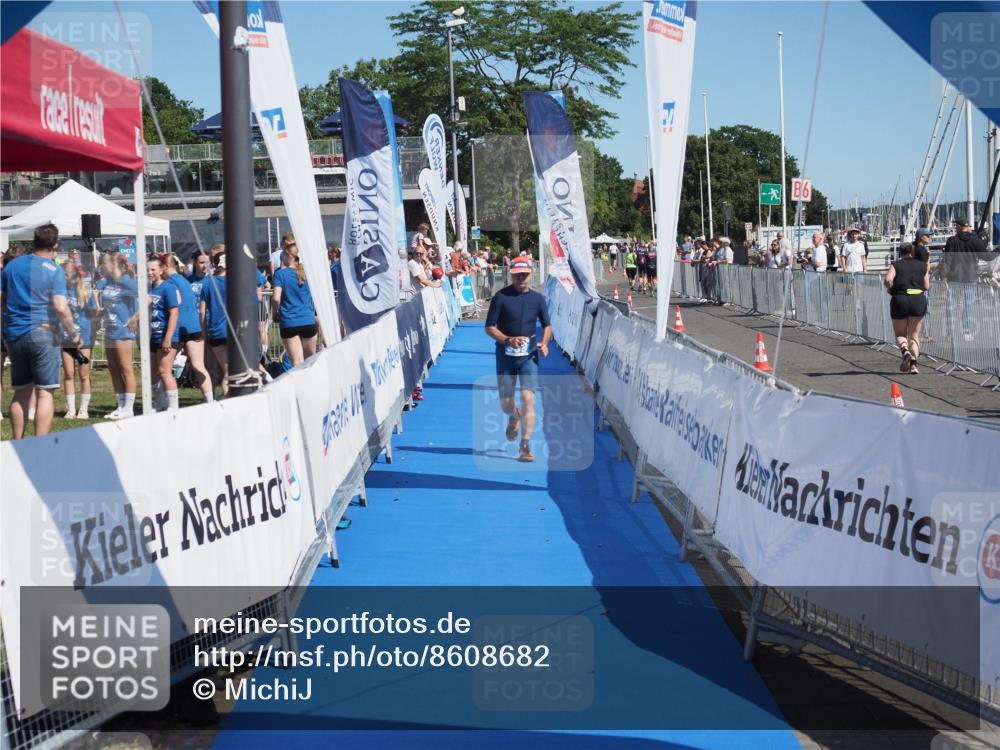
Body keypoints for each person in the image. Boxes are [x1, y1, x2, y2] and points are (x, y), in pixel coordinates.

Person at [1, 224, 81, 438]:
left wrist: (4, 332)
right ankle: (40, 446)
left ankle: (17, 442)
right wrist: (74, 333)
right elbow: (61, 307)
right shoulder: (54, 270)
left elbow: (2, 302)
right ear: (56, 245)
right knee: (45, 392)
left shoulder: (11, 266)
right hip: (43, 332)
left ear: (33, 241)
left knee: (21, 392)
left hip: (15, 334)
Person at [484, 255, 551, 463]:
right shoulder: (501, 297)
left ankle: (525, 444)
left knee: (528, 399)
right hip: (505, 355)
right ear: (511, 274)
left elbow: (547, 326)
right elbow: (489, 327)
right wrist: (507, 340)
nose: (521, 277)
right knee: (506, 403)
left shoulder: (538, 299)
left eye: (525, 274)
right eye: (517, 274)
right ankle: (514, 416)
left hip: (529, 356)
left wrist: (544, 342)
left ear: (531, 274)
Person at [95, 251, 139, 419]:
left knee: (125, 369)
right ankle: (120, 406)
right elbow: (94, 291)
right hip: (110, 330)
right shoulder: (106, 281)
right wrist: (99, 308)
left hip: (123, 331)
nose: (102, 266)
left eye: (105, 263)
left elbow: (146, 297)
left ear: (113, 265)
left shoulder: (127, 282)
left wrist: (135, 317)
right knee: (113, 369)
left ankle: (129, 408)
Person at [164, 253, 213, 404]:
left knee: (165, 367)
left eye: (207, 262)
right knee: (198, 365)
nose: (204, 265)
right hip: (194, 325)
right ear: (195, 263)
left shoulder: (173, 281)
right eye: (201, 262)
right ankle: (210, 400)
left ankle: (169, 403)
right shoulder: (186, 281)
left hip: (189, 324)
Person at [940, 216, 993, 341]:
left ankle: (950, 334)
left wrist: (943, 276)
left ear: (959, 226)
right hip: (970, 276)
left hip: (954, 277)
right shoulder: (975, 240)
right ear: (967, 226)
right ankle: (967, 332)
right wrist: (998, 249)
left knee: (952, 305)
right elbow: (986, 257)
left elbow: (947, 260)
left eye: (955, 225)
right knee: (968, 305)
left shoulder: (952, 241)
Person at [884, 242, 929, 374]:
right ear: (912, 252)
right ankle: (914, 365)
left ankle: (905, 352)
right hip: (917, 299)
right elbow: (926, 286)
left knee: (900, 334)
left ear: (900, 252)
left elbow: (888, 279)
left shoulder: (896, 264)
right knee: (914, 335)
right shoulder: (922, 265)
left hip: (900, 298)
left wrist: (890, 289)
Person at [60, 261, 97, 419]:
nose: (62, 278)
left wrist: (91, 336)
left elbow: (94, 315)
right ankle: (71, 409)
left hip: (84, 338)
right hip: (66, 337)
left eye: (65, 275)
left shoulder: (85, 291)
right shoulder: (60, 292)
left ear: (73, 275)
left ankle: (83, 409)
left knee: (84, 374)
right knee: (69, 373)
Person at [272, 242, 317, 366]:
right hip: (308, 320)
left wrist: (275, 312)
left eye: (283, 254)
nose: (282, 257)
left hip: (289, 321)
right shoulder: (308, 273)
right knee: (311, 363)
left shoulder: (280, 274)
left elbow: (276, 298)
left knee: (297, 363)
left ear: (289, 256)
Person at [147, 256, 181, 411]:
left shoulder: (168, 287)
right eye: (147, 270)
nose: (149, 272)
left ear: (161, 270)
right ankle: (160, 402)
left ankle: (174, 407)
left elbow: (174, 313)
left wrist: (168, 337)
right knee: (154, 373)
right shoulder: (151, 288)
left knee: (165, 372)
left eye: (153, 269)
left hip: (166, 335)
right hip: (154, 336)